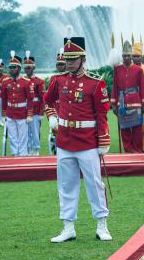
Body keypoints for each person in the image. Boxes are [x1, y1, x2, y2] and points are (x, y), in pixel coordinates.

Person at [44, 36, 112, 243]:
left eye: (73, 59)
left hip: (87, 142)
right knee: (66, 185)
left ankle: (101, 225)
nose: (69, 62)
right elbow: (47, 101)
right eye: (67, 58)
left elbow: (102, 114)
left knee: (95, 185)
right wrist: (52, 117)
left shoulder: (95, 82)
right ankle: (68, 227)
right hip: (64, 141)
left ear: (83, 59)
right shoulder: (58, 80)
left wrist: (103, 140)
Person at [111, 41, 144, 153]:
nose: (126, 58)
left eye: (128, 55)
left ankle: (137, 150)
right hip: (122, 104)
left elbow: (142, 87)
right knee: (124, 128)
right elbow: (114, 87)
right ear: (122, 56)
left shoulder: (139, 70)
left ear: (131, 56)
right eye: (124, 56)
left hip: (136, 102)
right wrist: (113, 104)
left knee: (137, 128)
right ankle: (128, 150)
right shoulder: (117, 69)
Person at [1, 52, 32, 156]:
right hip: (10, 113)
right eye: (10, 67)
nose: (12, 69)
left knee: (23, 137)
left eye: (14, 67)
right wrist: (3, 115)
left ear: (19, 68)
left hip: (22, 114)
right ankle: (14, 154)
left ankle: (23, 155)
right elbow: (4, 100)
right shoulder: (5, 82)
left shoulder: (26, 82)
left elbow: (30, 100)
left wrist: (29, 114)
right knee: (12, 136)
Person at [23, 51, 46, 155]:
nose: (27, 69)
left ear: (33, 68)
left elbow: (43, 99)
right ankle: (27, 149)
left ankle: (36, 149)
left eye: (29, 67)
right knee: (25, 132)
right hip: (23, 111)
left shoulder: (39, 81)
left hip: (35, 111)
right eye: (25, 67)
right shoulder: (21, 80)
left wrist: (41, 113)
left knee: (35, 132)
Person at [0, 59, 4, 126]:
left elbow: (3, 86)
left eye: (0, 70)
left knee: (2, 108)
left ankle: (1, 120)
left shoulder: (5, 77)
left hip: (1, 94)